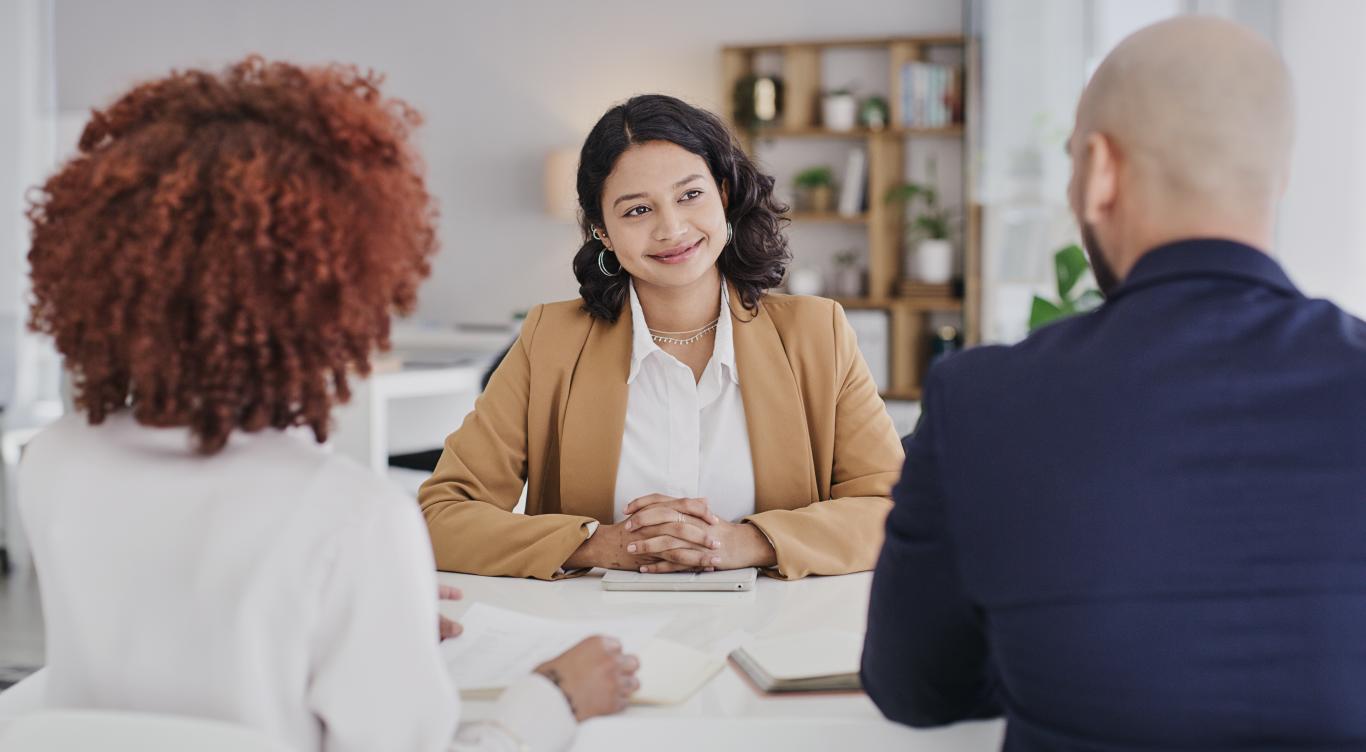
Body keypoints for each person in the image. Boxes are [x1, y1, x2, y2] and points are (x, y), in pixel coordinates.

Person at [1, 57, 636, 752]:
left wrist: (359, 620)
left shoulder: (55, 460)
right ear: (334, 290)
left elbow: (154, 662)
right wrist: (554, 698)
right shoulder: (350, 519)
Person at [862, 16, 1366, 750]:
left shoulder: (982, 401)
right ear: (1278, 176)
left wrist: (1054, 644)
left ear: (1100, 171)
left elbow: (915, 687)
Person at [419, 94, 904, 581]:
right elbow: (441, 515)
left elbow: (892, 510)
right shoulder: (551, 341)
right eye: (636, 211)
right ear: (602, 232)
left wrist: (746, 542)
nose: (672, 229)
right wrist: (596, 543)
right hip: (598, 641)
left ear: (724, 195)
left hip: (775, 641)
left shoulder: (818, 334)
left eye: (690, 195)